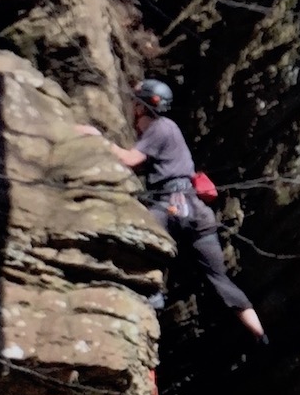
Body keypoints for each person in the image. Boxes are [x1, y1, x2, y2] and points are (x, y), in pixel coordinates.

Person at [76, 79, 267, 344]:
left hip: (170, 206)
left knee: (140, 247)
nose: (131, 107)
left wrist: (97, 138)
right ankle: (260, 333)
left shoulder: (160, 128)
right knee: (217, 277)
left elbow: (129, 160)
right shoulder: (167, 131)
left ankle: (152, 299)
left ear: (142, 107)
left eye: (134, 102)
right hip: (197, 212)